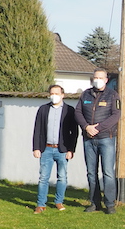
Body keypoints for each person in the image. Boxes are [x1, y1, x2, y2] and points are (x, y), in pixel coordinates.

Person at [75, 68, 120, 214]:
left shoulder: (113, 95)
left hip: (106, 138)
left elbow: (115, 115)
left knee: (107, 172)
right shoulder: (85, 94)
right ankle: (94, 202)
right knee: (91, 173)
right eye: (95, 77)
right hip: (88, 139)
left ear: (106, 80)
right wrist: (86, 127)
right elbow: (78, 112)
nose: (97, 80)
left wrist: (98, 128)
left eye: (100, 77)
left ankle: (110, 203)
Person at [32, 84, 78, 214]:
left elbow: (73, 132)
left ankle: (59, 201)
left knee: (62, 177)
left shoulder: (69, 110)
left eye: (57, 93)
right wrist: (36, 148)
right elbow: (38, 129)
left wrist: (71, 150)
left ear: (62, 95)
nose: (54, 96)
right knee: (43, 178)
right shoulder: (43, 109)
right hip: (46, 149)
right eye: (52, 93)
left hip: (62, 150)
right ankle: (41, 204)